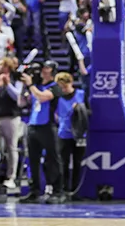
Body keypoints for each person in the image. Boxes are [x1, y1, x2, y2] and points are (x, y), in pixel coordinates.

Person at [20, 62, 61, 204]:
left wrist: (31, 86)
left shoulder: (55, 88)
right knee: (33, 160)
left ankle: (56, 190)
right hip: (33, 125)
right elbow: (21, 103)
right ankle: (35, 190)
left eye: (47, 68)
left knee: (52, 159)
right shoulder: (36, 86)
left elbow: (43, 97)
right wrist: (24, 87)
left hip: (47, 126)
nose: (43, 71)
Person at [54, 72, 87, 199]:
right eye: (61, 87)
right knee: (63, 162)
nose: (63, 90)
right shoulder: (58, 98)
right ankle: (64, 189)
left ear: (71, 83)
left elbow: (89, 112)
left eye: (65, 86)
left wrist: (80, 108)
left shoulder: (81, 95)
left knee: (78, 162)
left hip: (79, 134)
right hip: (63, 133)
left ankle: (75, 191)